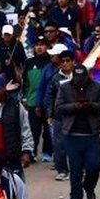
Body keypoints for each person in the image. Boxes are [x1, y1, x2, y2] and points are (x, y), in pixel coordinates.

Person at [56, 65, 100, 199]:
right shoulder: (64, 88)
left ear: (87, 76)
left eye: (82, 79)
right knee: (75, 169)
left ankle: (89, 186)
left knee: (94, 165)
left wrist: (90, 106)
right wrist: (74, 107)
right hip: (72, 135)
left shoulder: (97, 87)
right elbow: (59, 108)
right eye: (77, 79)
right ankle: (75, 197)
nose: (80, 82)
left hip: (91, 134)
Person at [19, 38, 53, 162]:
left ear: (47, 47)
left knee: (48, 129)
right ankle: (32, 153)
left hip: (48, 102)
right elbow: (25, 83)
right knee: (33, 129)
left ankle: (47, 152)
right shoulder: (29, 63)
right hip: (32, 101)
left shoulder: (51, 62)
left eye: (42, 45)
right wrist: (25, 99)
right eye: (37, 45)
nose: (39, 47)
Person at [43, 49, 75, 181]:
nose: (65, 64)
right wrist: (50, 114)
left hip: (77, 115)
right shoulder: (55, 78)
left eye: (68, 61)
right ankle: (62, 170)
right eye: (63, 61)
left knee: (76, 143)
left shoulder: (80, 75)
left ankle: (78, 168)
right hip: (60, 116)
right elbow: (49, 97)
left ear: (73, 62)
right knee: (59, 144)